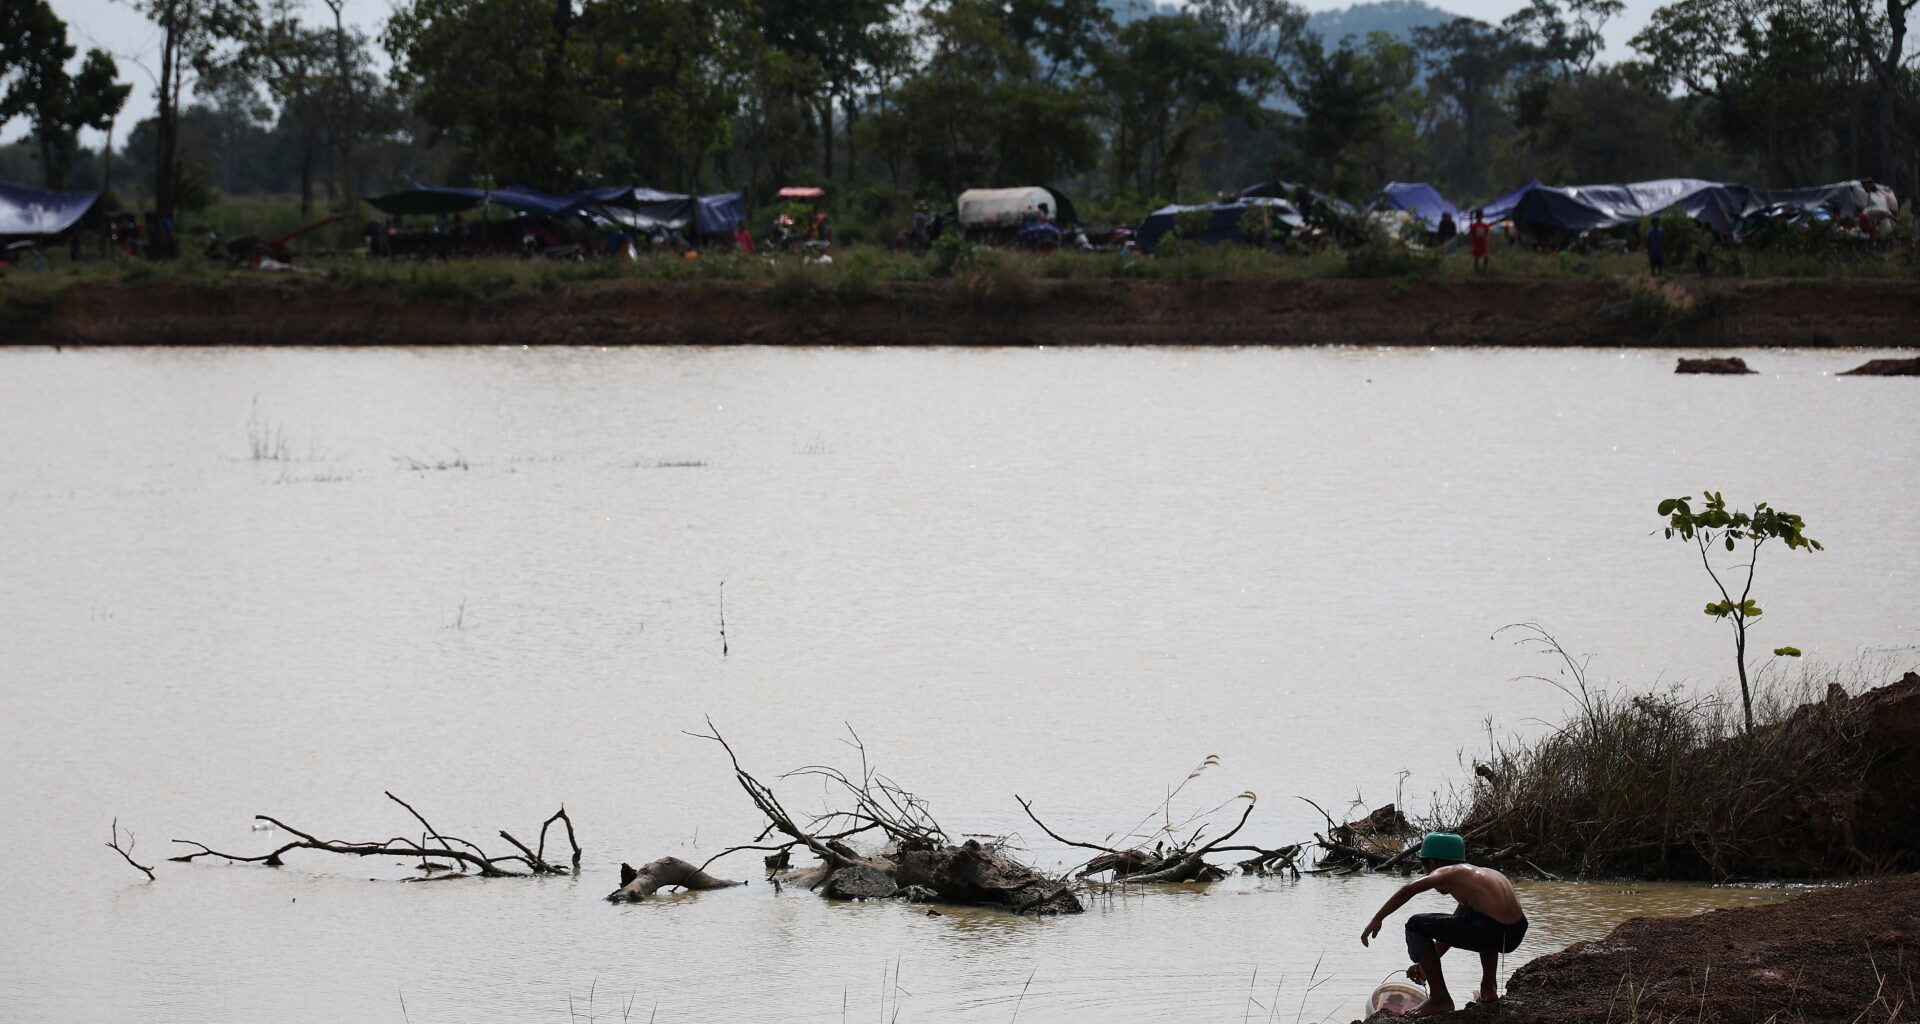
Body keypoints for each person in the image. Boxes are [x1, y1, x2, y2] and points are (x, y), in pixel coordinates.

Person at [1361, 832, 1528, 1019]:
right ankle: (1488, 990)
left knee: (1415, 924)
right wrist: (1425, 966)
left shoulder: (1447, 871)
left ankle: (1440, 998)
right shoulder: (1479, 877)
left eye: (1426, 870)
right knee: (1481, 923)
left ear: (1432, 865)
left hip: (1490, 928)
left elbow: (1408, 890)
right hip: (1514, 931)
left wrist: (1378, 918)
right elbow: (1454, 930)